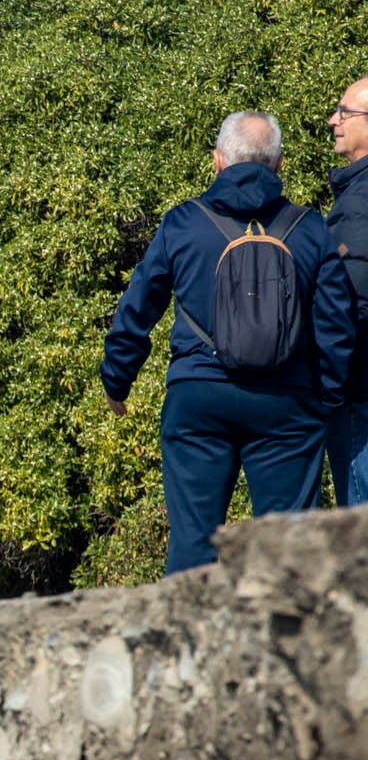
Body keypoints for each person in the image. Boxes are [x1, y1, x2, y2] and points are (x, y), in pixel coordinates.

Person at [101, 111, 354, 572]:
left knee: (194, 546)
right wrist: (329, 396)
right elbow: (335, 325)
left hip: (198, 396)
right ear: (277, 164)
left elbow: (138, 307)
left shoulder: (183, 223)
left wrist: (117, 379)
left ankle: (191, 641)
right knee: (285, 553)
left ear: (218, 161)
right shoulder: (310, 228)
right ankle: (280, 643)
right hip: (286, 405)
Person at [325, 78, 368, 505]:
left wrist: (330, 382)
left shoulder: (360, 203)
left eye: (344, 112)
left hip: (359, 392)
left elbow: (350, 300)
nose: (333, 120)